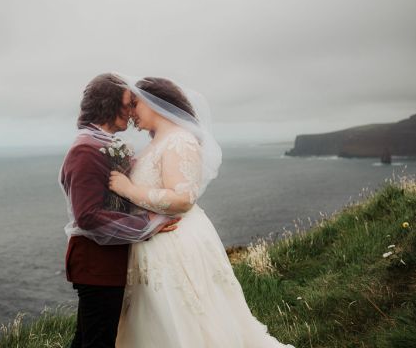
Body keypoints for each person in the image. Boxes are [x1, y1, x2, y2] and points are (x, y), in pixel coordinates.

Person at [109, 76, 295, 347]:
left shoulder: (180, 140)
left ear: (153, 102)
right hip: (152, 242)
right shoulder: (157, 142)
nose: (130, 114)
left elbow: (183, 198)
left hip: (176, 243)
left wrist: (128, 190)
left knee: (184, 320)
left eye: (135, 105)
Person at [59, 73, 179, 348]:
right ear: (108, 103)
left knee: (87, 339)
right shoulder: (84, 151)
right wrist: (147, 225)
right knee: (98, 341)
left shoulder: (103, 145)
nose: (131, 110)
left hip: (107, 261)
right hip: (95, 262)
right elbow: (87, 216)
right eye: (127, 103)